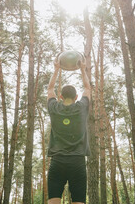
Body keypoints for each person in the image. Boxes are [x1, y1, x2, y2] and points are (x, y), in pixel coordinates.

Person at [46, 56, 91, 204]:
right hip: (77, 162)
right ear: (76, 97)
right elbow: (87, 88)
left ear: (60, 96)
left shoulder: (54, 108)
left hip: (57, 162)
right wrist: (83, 70)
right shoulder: (82, 107)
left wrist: (57, 69)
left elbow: (50, 88)